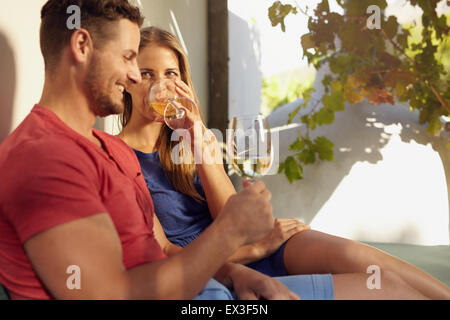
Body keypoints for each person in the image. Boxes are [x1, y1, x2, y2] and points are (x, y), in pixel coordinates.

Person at [0, 0, 306, 300]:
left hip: (202, 283)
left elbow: (164, 249)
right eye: (128, 57)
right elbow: (102, 294)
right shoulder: (41, 157)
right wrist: (231, 233)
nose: (135, 76)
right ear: (81, 45)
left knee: (354, 286)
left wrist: (236, 273)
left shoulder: (109, 149)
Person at [118, 26, 450, 300]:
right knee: (388, 290)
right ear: (130, 79)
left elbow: (227, 216)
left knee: (366, 261)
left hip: (249, 245)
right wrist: (257, 248)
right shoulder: (118, 156)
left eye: (170, 74)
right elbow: (164, 251)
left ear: (182, 82)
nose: (160, 86)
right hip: (216, 266)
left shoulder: (190, 138)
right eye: (147, 74)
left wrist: (199, 140)